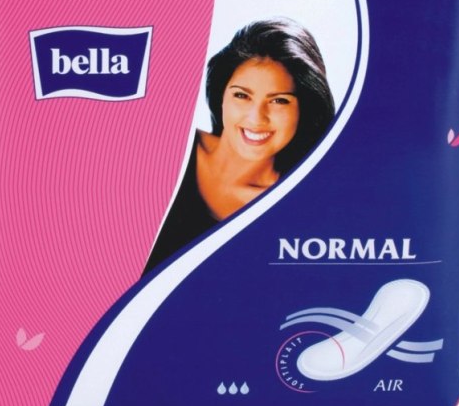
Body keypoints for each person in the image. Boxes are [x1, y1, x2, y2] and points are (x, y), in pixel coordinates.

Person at [143, 19, 335, 274]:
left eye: (279, 100)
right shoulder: (166, 149)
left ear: (304, 110)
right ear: (220, 96)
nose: (256, 118)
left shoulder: (292, 210)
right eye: (242, 95)